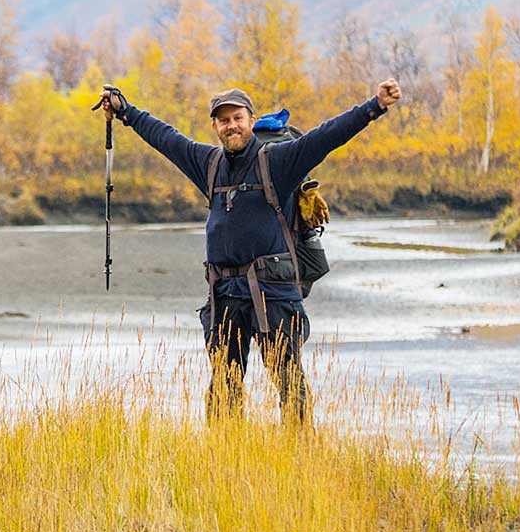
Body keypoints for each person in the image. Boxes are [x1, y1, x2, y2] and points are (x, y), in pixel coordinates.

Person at [99, 79, 402, 422]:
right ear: (215, 126)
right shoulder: (208, 164)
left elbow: (327, 136)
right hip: (224, 294)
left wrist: (374, 106)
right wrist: (126, 112)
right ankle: (224, 455)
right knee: (224, 386)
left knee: (288, 382)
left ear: (251, 120)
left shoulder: (278, 161)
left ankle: (298, 451)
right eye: (224, 120)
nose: (232, 126)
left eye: (238, 118)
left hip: (272, 292)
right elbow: (167, 139)